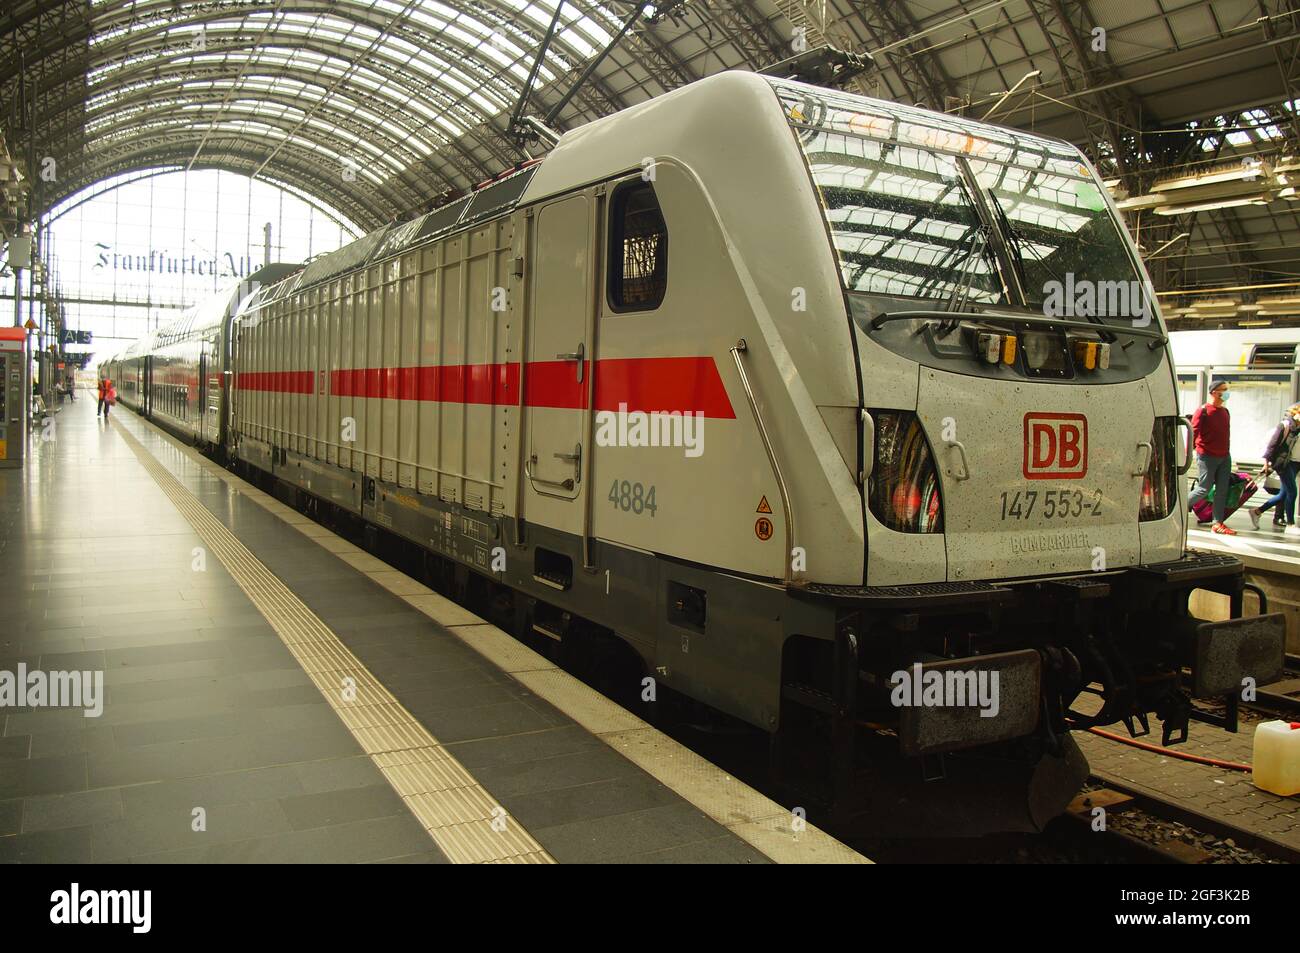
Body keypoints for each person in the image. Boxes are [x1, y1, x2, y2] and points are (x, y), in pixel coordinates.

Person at [1188, 379, 1236, 535]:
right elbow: (1193, 433)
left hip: (1224, 456)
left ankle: (1217, 523)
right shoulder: (1203, 411)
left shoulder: (1225, 412)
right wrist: (1188, 454)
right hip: (1207, 456)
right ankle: (1179, 508)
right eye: (1223, 389)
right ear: (1214, 392)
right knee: (1204, 488)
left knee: (1222, 490)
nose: (1226, 393)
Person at [1249, 404, 1300, 534]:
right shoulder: (1285, 425)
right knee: (1292, 492)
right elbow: (1271, 446)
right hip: (1284, 463)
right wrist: (1266, 463)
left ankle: (1257, 511)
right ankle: (1290, 524)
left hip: (1296, 464)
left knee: (1283, 494)